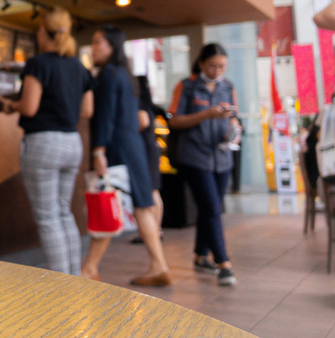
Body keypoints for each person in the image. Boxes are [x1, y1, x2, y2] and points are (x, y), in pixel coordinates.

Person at [0, 6, 94, 276]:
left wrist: (9, 105)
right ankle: (74, 278)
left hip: (43, 144)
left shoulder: (38, 64)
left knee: (48, 217)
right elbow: (87, 111)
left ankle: (62, 284)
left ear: (42, 31)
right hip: (72, 142)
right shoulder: (79, 67)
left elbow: (29, 107)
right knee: (63, 212)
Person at [82, 26, 171, 286]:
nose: (93, 47)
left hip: (117, 148)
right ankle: (159, 265)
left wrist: (98, 150)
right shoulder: (126, 75)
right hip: (134, 146)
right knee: (142, 206)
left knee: (108, 201)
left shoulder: (109, 74)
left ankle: (89, 268)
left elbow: (106, 116)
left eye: (98, 42)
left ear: (112, 46)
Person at [167, 43, 240, 286]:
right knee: (211, 208)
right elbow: (174, 120)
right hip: (194, 157)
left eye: (222, 66)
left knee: (211, 207)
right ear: (201, 63)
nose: (218, 70)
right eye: (213, 65)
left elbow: (236, 119)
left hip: (222, 157)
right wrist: (205, 114)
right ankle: (224, 264)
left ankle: (200, 255)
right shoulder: (186, 86)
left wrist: (235, 132)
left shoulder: (228, 87)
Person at [130, 75, 164, 244]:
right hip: (150, 149)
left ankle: (154, 230)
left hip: (146, 150)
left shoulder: (140, 104)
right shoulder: (147, 104)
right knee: (153, 191)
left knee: (151, 191)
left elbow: (141, 122)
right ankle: (154, 230)